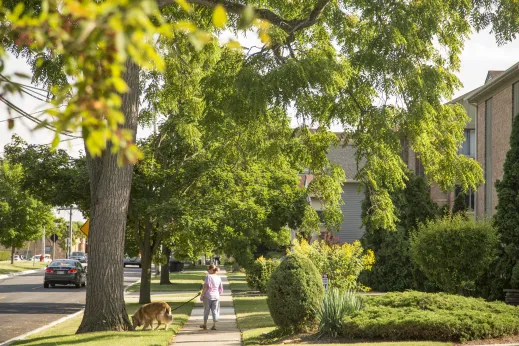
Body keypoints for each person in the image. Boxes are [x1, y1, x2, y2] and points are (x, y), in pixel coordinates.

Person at [200, 264, 223, 330]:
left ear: (211, 270)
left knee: (206, 310)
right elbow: (220, 288)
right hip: (216, 296)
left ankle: (205, 324)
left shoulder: (208, 276)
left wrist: (202, 295)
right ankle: (214, 325)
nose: (208, 271)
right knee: (215, 310)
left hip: (208, 296)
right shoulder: (218, 277)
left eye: (208, 270)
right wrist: (218, 294)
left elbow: (206, 287)